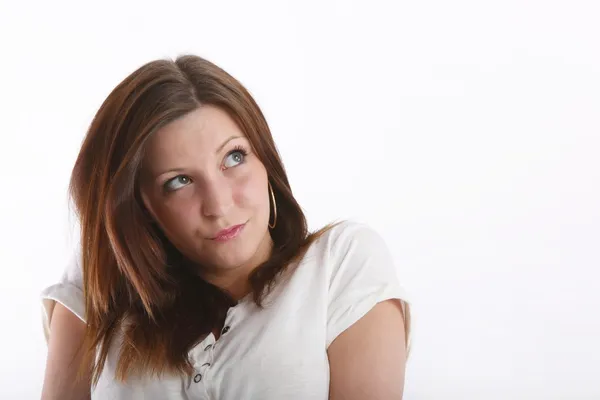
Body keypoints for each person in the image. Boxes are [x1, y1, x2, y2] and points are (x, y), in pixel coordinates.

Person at [39, 54, 411, 400]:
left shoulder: (340, 263)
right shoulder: (103, 279)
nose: (219, 205)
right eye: (178, 181)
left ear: (264, 158)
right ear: (142, 206)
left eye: (234, 157)